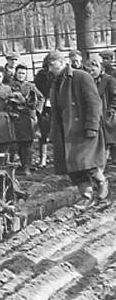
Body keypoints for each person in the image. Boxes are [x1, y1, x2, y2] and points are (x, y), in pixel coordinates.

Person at [46, 50, 108, 210]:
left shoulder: (81, 76)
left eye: (51, 65)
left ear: (60, 62)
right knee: (73, 167)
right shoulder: (55, 83)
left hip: (82, 129)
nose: (50, 69)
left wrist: (92, 126)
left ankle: (101, 185)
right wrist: (53, 133)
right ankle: (86, 196)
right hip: (66, 131)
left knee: (88, 163)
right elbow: (56, 111)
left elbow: (94, 103)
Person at [8, 64, 45, 176]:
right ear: (15, 73)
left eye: (23, 73)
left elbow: (41, 97)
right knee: (16, 143)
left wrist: (37, 111)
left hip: (28, 117)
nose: (21, 75)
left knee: (28, 143)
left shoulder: (30, 86)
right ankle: (18, 165)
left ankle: (26, 167)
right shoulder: (10, 85)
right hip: (15, 117)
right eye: (19, 73)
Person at [86, 54, 116, 164]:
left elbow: (114, 96)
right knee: (101, 140)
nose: (91, 71)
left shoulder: (109, 80)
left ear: (101, 68)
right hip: (96, 115)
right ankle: (101, 161)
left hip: (108, 114)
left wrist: (111, 109)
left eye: (94, 68)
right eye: (89, 69)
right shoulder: (88, 81)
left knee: (111, 139)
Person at [34, 54, 56, 167]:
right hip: (44, 106)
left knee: (57, 132)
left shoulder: (59, 74)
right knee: (43, 133)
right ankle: (43, 158)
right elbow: (38, 89)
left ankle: (56, 157)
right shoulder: (41, 75)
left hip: (56, 105)